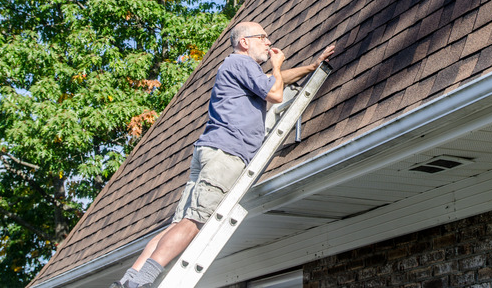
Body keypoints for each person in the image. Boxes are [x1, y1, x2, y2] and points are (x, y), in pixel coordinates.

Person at [111, 22, 335, 288]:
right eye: (263, 37)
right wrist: (277, 63)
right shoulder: (243, 64)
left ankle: (130, 279)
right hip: (227, 152)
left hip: (211, 148)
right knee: (196, 221)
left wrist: (311, 67)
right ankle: (144, 281)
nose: (268, 42)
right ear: (244, 42)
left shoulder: (235, 66)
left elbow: (276, 81)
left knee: (179, 222)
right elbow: (275, 92)